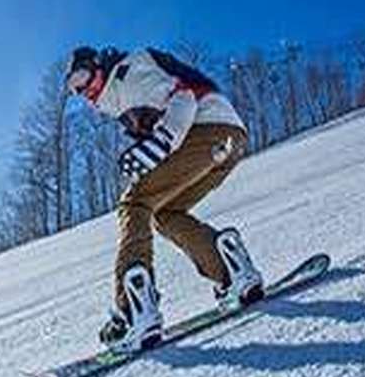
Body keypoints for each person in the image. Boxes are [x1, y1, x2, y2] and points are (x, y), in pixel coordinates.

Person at [65, 45, 264, 353]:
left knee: (134, 204)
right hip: (229, 139)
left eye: (83, 78)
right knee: (166, 212)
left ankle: (134, 313)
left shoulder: (127, 73)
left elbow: (183, 97)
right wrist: (157, 146)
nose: (83, 91)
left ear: (98, 66)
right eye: (74, 88)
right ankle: (231, 272)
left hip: (206, 129)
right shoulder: (119, 97)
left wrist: (161, 142)